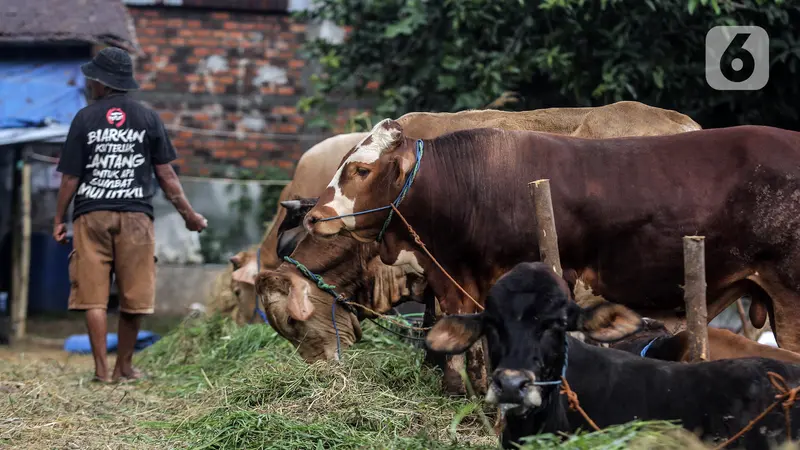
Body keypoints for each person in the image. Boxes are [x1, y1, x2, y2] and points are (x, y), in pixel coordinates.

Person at [54, 47, 207, 383]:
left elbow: (69, 178)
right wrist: (190, 216)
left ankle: (101, 371)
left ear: (102, 82)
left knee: (93, 297)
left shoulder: (84, 118)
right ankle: (124, 367)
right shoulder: (148, 118)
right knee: (134, 296)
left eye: (92, 78)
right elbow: (167, 176)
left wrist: (58, 220)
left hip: (91, 215)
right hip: (136, 217)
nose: (90, 83)